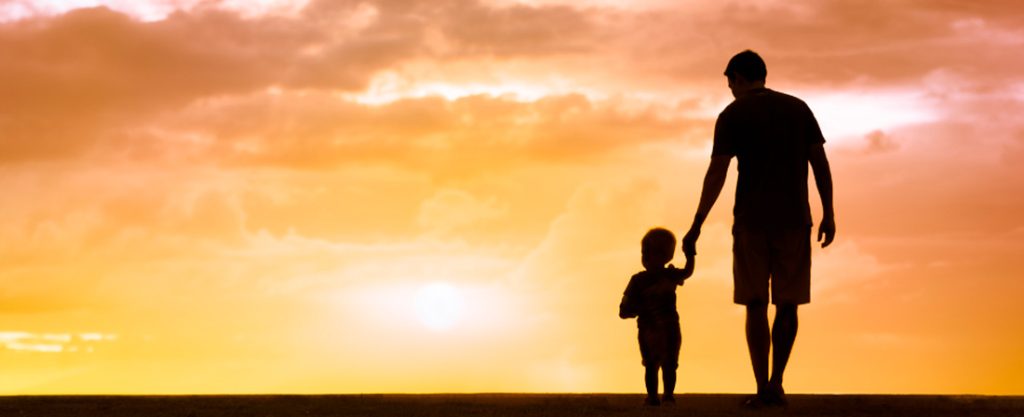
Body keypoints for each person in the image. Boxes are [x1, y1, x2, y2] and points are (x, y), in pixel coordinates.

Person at [681, 50, 836, 407]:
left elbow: (716, 173)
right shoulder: (798, 109)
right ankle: (777, 383)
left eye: (729, 82)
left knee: (754, 304)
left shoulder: (733, 114)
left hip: (751, 221)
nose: (730, 89)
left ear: (737, 77)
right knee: (788, 303)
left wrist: (696, 224)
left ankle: (761, 384)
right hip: (795, 220)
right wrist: (829, 212)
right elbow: (820, 163)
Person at [619, 227, 695, 406]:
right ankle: (654, 396)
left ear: (665, 256)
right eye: (644, 252)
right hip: (650, 329)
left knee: (668, 364)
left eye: (650, 253)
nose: (645, 257)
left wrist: (691, 255)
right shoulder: (639, 280)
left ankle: (667, 395)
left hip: (666, 329)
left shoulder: (668, 275)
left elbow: (687, 273)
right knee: (652, 364)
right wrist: (630, 310)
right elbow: (624, 307)